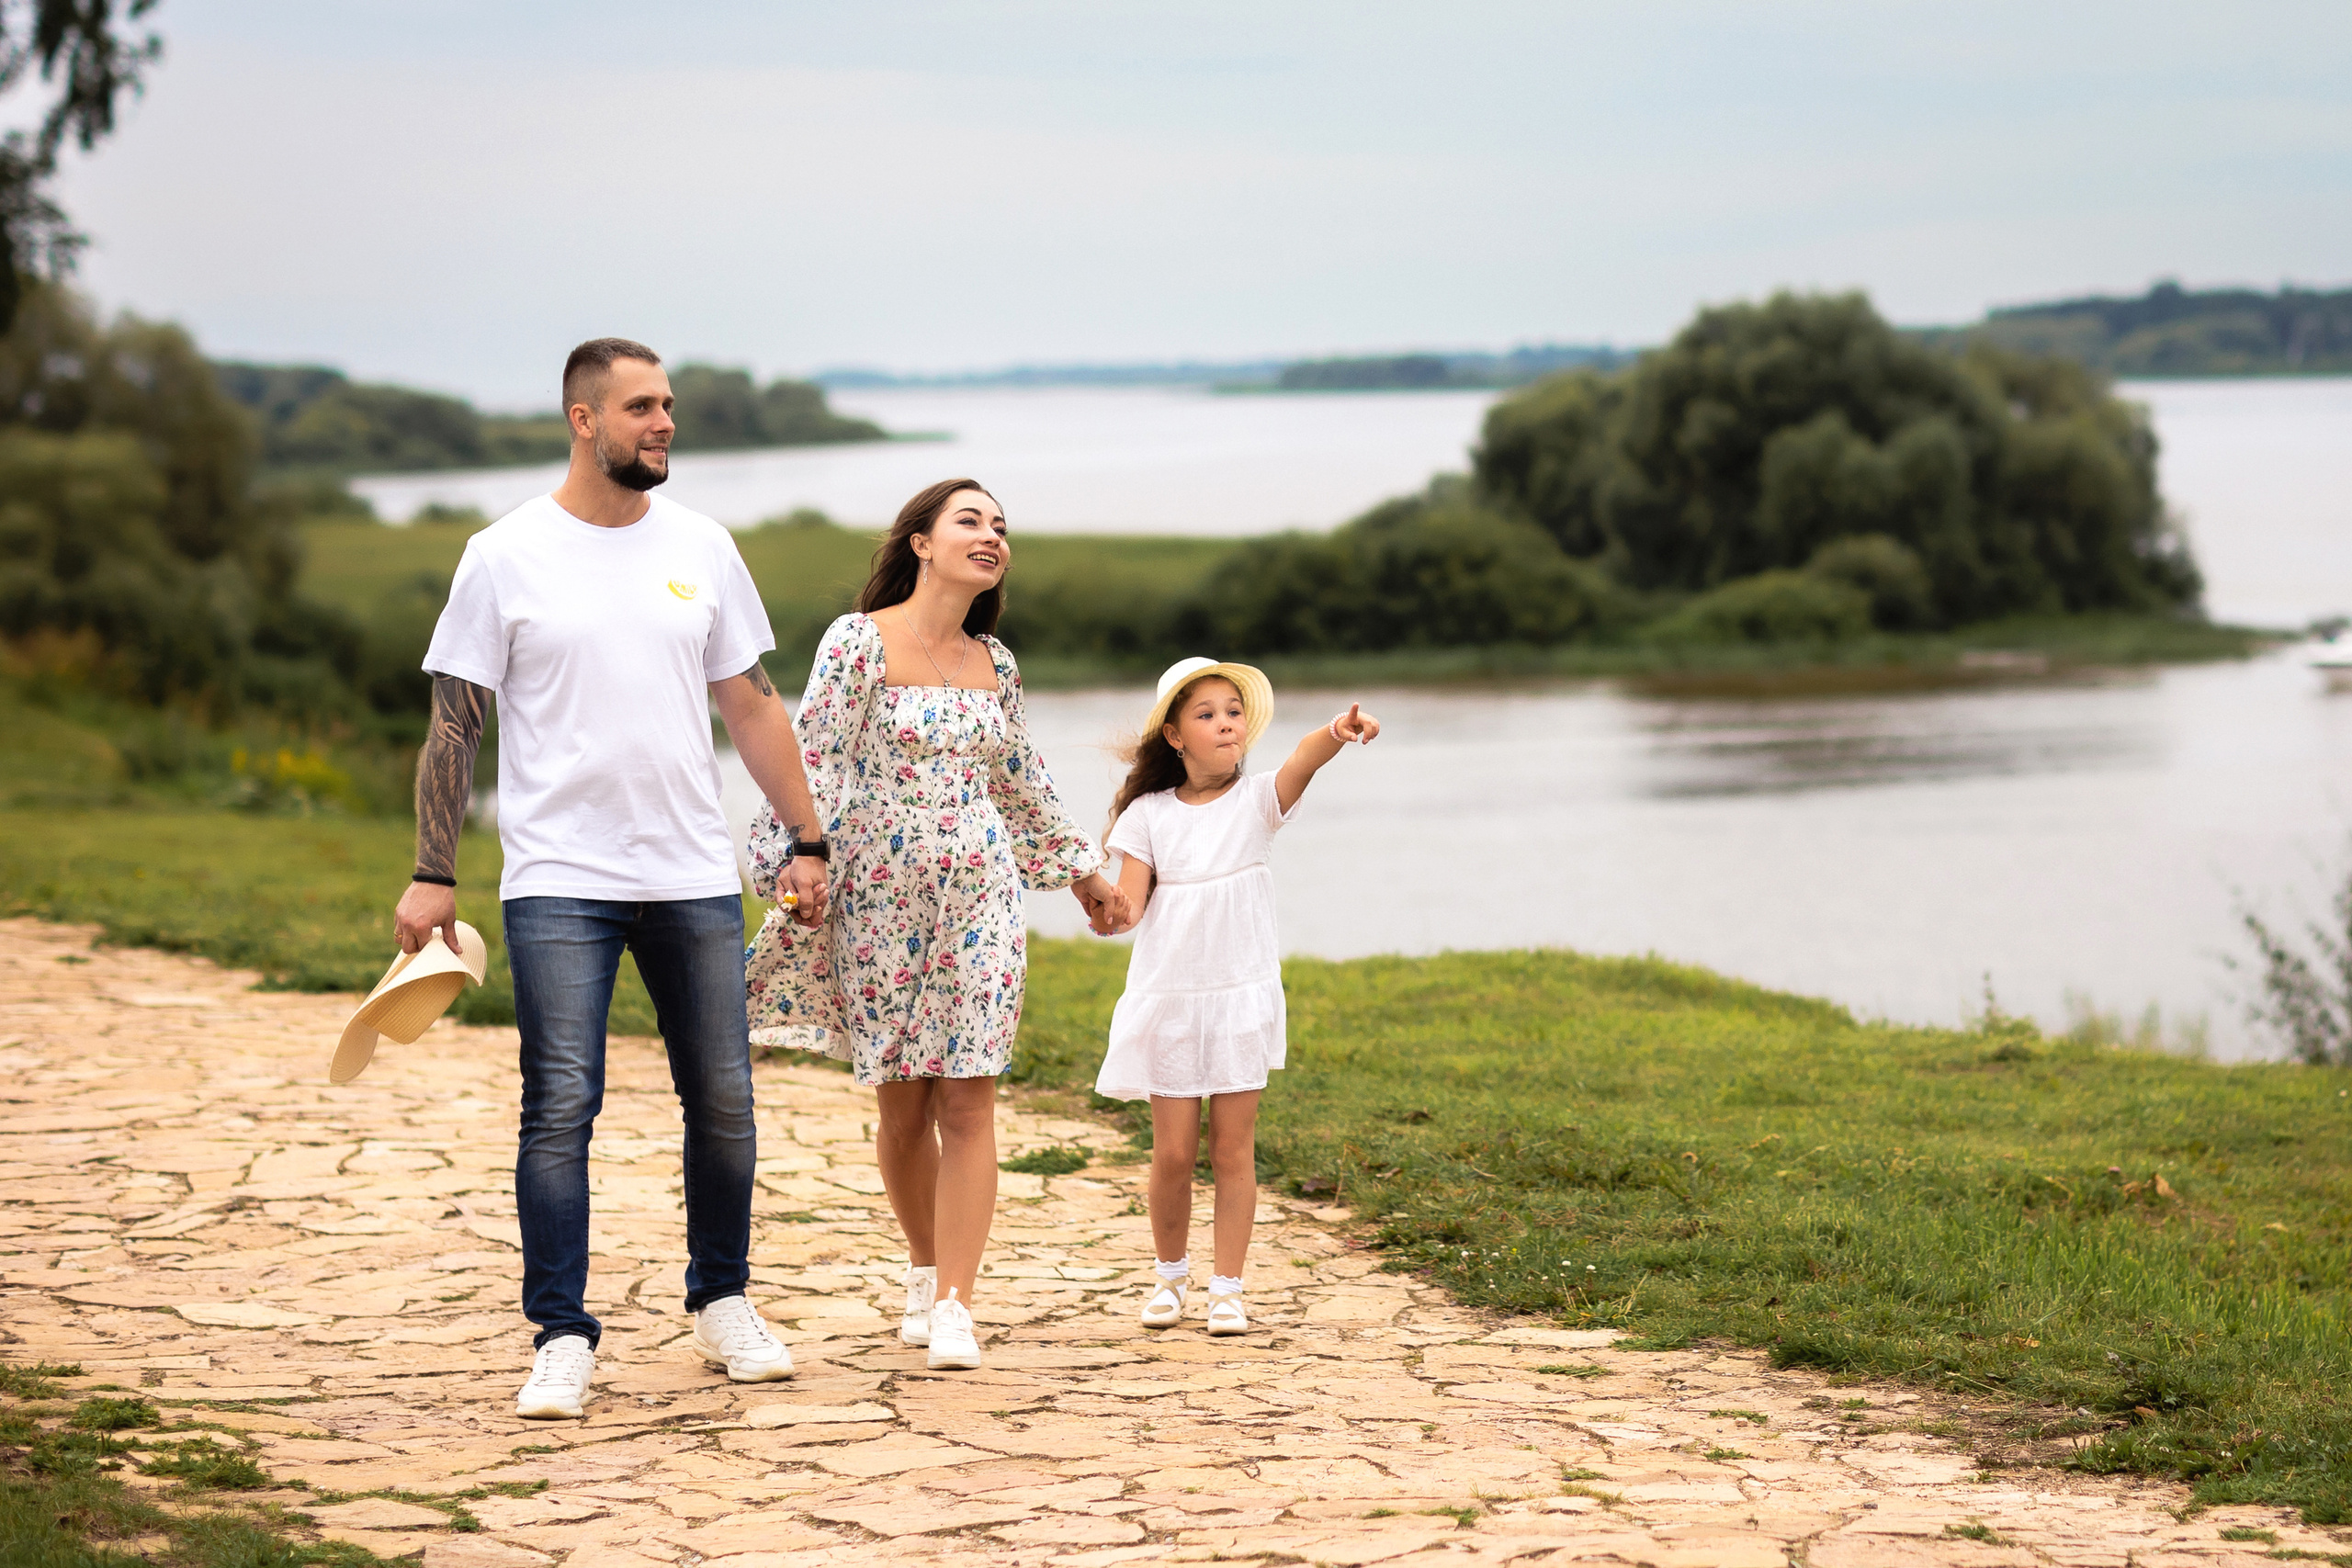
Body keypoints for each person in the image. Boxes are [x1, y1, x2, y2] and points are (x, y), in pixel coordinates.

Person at [396, 337, 830, 1420]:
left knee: (724, 1104)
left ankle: (721, 1301)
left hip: (689, 868)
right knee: (560, 1107)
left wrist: (809, 836)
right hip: (558, 876)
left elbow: (754, 703)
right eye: (641, 406)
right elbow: (455, 724)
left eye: (668, 404)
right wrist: (430, 875)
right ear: (583, 419)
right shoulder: (502, 555)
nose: (664, 422)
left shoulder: (703, 545)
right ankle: (561, 1333)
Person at [743, 478, 1126, 1372]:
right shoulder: (857, 643)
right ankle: (922, 1267)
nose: (992, 536)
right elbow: (814, 760)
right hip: (877, 900)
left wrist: (1079, 871)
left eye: (1001, 526)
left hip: (980, 902)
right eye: (971, 521)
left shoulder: (998, 661)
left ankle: (956, 1301)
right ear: (919, 542)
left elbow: (1020, 779)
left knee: (968, 1093)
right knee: (905, 1105)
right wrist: (793, 860)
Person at [1090, 658, 1380, 1335]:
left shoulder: (1257, 801)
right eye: (1207, 714)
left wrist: (1339, 730)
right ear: (1175, 737)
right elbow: (1130, 904)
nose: (1226, 723)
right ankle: (1169, 1278)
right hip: (1170, 999)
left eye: (1233, 711)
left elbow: (1303, 760)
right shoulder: (1149, 813)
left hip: (1239, 996)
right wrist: (1106, 907)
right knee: (1170, 1153)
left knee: (1233, 1150)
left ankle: (1228, 1287)